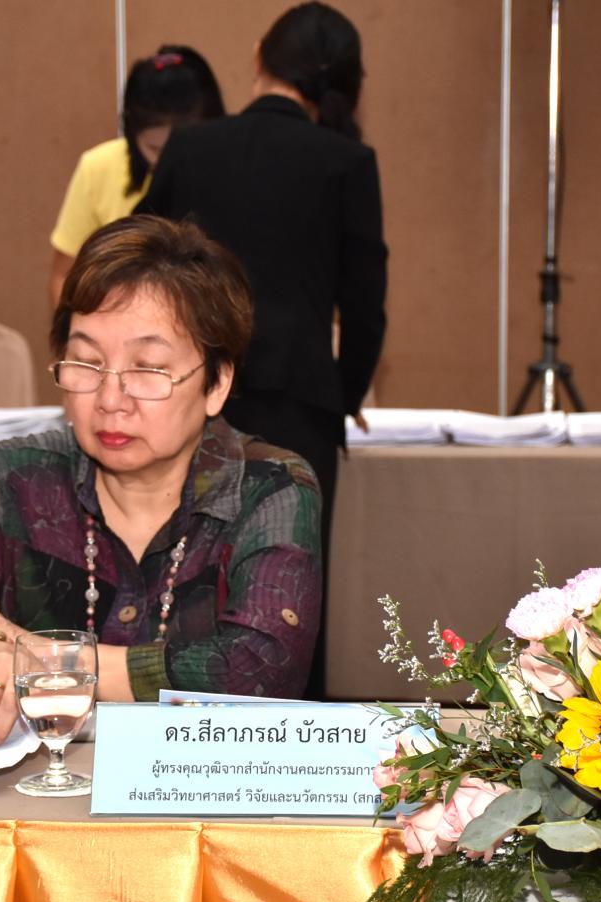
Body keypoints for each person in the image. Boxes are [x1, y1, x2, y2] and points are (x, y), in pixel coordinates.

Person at [0, 215, 322, 746]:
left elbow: (258, 675)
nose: (110, 399)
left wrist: (34, 654)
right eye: (86, 363)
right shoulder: (19, 479)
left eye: (148, 368)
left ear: (216, 383)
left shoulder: (269, 487)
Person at [136, 2, 387, 698]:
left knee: (179, 574)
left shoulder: (193, 147)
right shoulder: (347, 160)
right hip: (300, 403)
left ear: (258, 57)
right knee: (290, 588)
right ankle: (293, 734)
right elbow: (365, 304)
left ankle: (167, 716)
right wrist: (344, 394)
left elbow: (137, 263)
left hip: (189, 395)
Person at [47, 45, 224, 306]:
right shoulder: (99, 167)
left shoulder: (234, 171)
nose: (169, 161)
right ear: (132, 132)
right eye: (155, 149)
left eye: (183, 148)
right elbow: (63, 275)